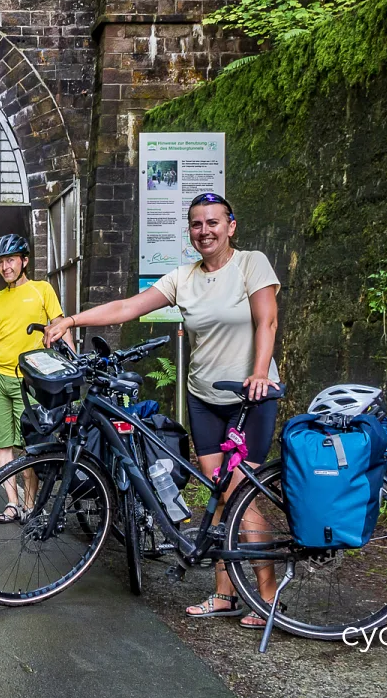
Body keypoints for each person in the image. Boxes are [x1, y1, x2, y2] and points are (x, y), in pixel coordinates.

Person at [43, 192, 281, 629]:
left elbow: (267, 319)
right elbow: (127, 307)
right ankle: (226, 595)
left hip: (250, 397)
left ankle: (267, 597)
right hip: (204, 398)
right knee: (218, 493)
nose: (204, 231)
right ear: (189, 232)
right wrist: (72, 321)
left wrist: (261, 373)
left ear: (231, 225)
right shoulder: (183, 278)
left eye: (213, 222)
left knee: (238, 494)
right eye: (196, 224)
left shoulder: (252, 263)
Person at [0, 233, 63, 523]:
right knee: (2, 444)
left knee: (30, 444)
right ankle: (13, 503)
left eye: (10, 260)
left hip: (29, 379)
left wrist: (70, 359)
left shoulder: (41, 289)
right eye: (0, 262)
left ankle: (31, 504)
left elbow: (59, 324)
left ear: (24, 260)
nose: (5, 266)